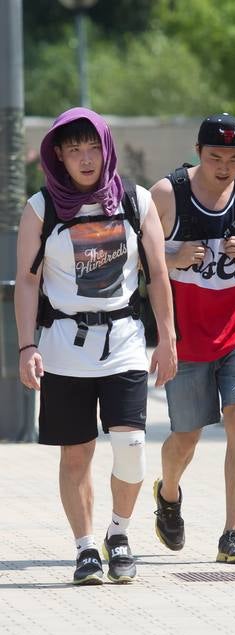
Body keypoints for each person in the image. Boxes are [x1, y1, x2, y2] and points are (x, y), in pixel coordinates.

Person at [14, 107, 177, 586]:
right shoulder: (41, 209)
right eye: (73, 150)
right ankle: (85, 548)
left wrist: (167, 338)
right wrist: (27, 346)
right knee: (76, 453)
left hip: (124, 341)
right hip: (64, 344)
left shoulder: (136, 201)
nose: (85, 159)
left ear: (105, 149)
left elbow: (159, 275)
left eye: (92, 148)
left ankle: (119, 533)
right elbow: (26, 284)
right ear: (58, 156)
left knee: (131, 448)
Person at [149, 113, 235, 564]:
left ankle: (234, 532)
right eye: (215, 157)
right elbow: (133, 257)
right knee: (185, 437)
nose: (225, 166)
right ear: (197, 151)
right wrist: (173, 253)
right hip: (187, 338)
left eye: (234, 157)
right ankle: (168, 495)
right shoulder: (168, 194)